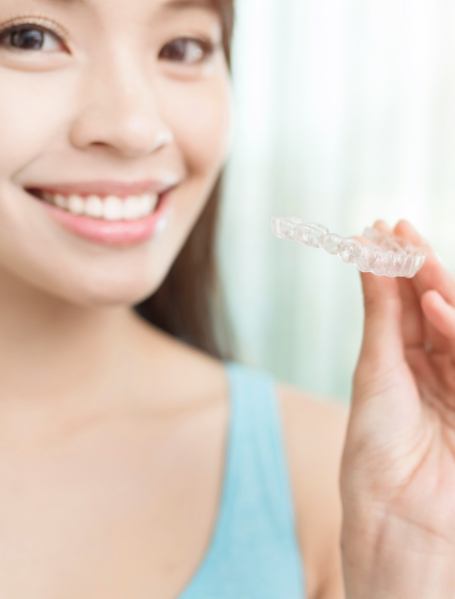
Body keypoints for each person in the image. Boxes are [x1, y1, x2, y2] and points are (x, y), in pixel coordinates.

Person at [1, 0, 454, 597]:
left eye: (183, 47)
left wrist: (410, 565)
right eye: (29, 37)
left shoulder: (345, 485)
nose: (137, 128)